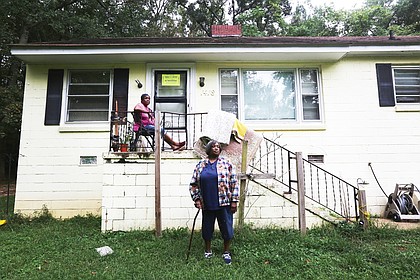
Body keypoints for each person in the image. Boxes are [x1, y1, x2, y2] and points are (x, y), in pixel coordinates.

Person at [189, 139, 239, 265]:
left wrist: (234, 201)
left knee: (226, 228)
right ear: (208, 149)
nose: (216, 148)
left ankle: (226, 252)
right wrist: (197, 199)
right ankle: (208, 250)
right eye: (213, 146)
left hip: (224, 203)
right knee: (207, 228)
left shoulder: (226, 164)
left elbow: (234, 182)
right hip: (207, 203)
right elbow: (193, 184)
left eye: (218, 146)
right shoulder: (201, 165)